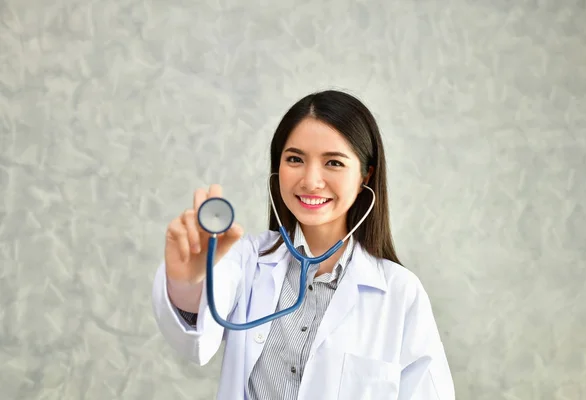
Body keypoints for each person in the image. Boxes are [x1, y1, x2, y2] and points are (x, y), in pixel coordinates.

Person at [151, 90, 455, 399]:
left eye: (333, 163)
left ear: (366, 174)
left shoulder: (400, 293)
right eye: (295, 159)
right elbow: (196, 340)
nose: (310, 181)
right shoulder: (247, 260)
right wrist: (186, 281)